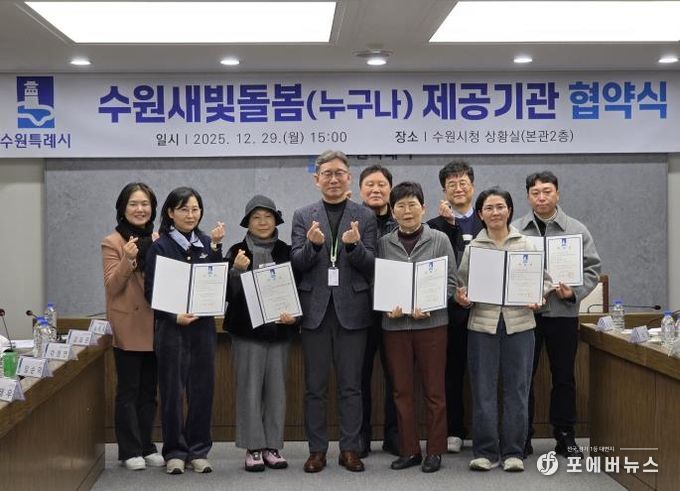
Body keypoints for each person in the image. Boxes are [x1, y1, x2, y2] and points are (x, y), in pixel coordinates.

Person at [290, 150, 377, 473]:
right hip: (315, 311)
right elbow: (296, 264)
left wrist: (354, 246)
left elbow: (372, 266)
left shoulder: (365, 216)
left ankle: (350, 449)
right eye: (327, 173)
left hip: (353, 311)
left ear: (349, 177)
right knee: (315, 387)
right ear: (317, 179)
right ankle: (316, 451)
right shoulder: (303, 215)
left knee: (351, 386)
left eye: (339, 173)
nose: (334, 179)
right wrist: (312, 246)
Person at [456, 187, 551, 472]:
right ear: (481, 214)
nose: (495, 212)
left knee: (517, 389)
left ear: (509, 210)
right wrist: (463, 297)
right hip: (482, 326)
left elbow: (545, 281)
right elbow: (462, 285)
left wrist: (540, 295)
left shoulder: (528, 244)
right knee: (483, 390)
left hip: (519, 324)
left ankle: (513, 451)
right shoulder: (474, 248)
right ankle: (485, 452)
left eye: (500, 207)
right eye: (489, 208)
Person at [514, 171, 601, 458]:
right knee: (523, 378)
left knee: (563, 377)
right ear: (528, 197)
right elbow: (510, 271)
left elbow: (592, 269)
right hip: (527, 316)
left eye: (547, 191)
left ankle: (565, 436)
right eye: (535, 192)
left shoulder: (577, 230)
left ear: (557, 194)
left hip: (563, 314)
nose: (541, 197)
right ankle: (522, 436)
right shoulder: (516, 230)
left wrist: (573, 292)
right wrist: (522, 294)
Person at [144, 186, 225, 475]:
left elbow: (218, 282)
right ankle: (175, 451)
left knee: (202, 391)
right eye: (183, 209)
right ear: (170, 212)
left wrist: (216, 248)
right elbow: (151, 291)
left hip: (203, 329)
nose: (190, 215)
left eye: (195, 209)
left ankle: (198, 450)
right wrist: (173, 315)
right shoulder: (160, 246)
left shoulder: (207, 243)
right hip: (172, 330)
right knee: (172, 392)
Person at [378, 181, 457, 473]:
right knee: (401, 391)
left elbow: (451, 282)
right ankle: (409, 450)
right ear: (392, 211)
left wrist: (433, 304)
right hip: (395, 327)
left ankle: (435, 450)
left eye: (412, 205)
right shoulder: (384, 243)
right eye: (401, 206)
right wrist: (387, 306)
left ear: (423, 208)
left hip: (432, 325)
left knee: (434, 391)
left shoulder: (439, 239)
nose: (407, 211)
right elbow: (379, 283)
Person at [223, 195, 296, 472]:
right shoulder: (237, 251)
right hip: (246, 332)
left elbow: (300, 288)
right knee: (249, 390)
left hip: (279, 331)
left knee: (277, 391)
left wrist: (295, 316)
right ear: (248, 222)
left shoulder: (287, 251)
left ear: (276, 220)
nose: (263, 222)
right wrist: (236, 271)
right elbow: (225, 295)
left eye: (267, 217)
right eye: (256, 217)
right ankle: (253, 447)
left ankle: (272, 446)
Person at [101, 182, 165, 471]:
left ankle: (147, 444)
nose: (140, 209)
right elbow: (112, 286)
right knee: (128, 391)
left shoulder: (160, 239)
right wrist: (128, 258)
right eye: (133, 204)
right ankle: (129, 450)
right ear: (122, 208)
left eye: (145, 204)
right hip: (127, 325)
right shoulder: (112, 242)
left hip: (155, 324)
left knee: (149, 391)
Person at [427, 160, 483, 453]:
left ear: (472, 186)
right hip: (451, 312)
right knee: (452, 373)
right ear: (444, 191)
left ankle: (486, 431)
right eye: (452, 184)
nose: (458, 188)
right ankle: (455, 430)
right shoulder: (433, 226)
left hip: (485, 310)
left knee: (485, 373)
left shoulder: (488, 218)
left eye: (463, 183)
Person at [357, 164, 399, 457]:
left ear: (390, 189)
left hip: (394, 310)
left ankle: (394, 435)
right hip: (359, 310)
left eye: (382, 184)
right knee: (359, 377)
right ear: (360, 190)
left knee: (396, 376)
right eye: (370, 185)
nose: (376, 189)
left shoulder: (402, 221)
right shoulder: (351, 221)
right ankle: (360, 436)